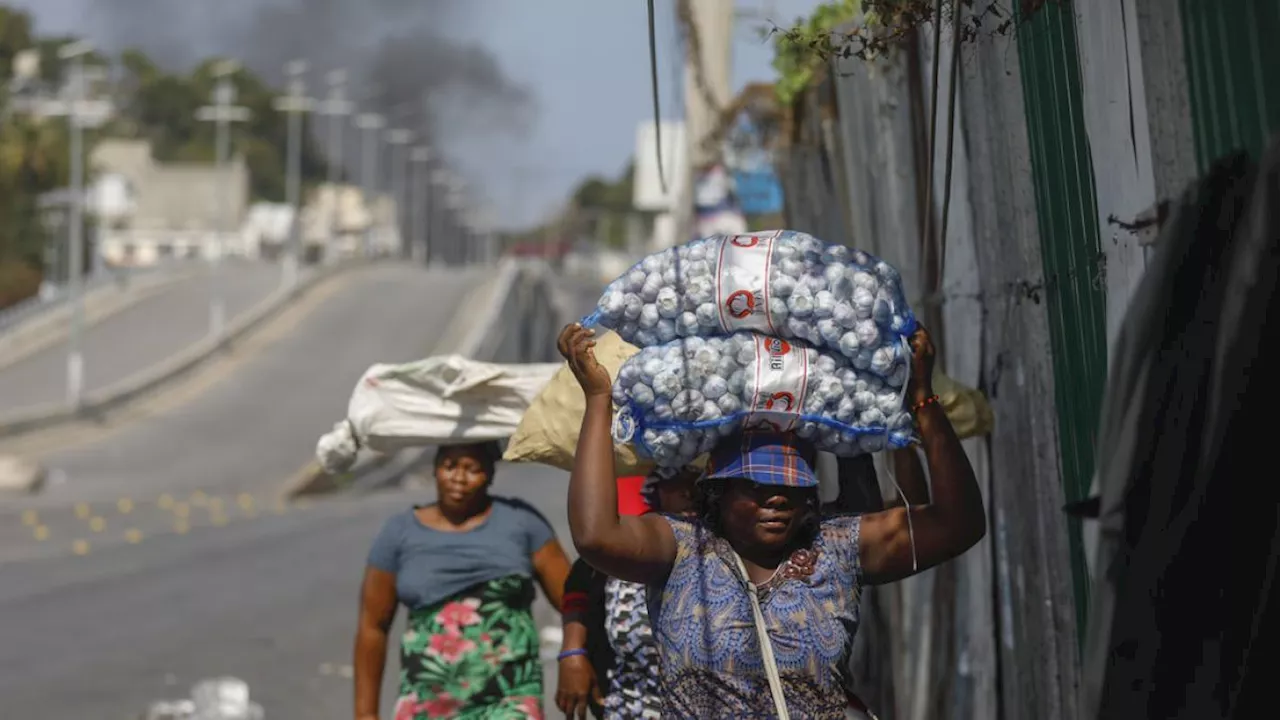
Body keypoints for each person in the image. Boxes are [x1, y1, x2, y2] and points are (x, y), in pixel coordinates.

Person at [557, 322, 986, 718]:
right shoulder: (681, 548)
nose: (777, 498)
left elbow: (959, 524)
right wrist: (599, 400)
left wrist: (923, 400)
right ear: (717, 493)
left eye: (792, 488)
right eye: (755, 487)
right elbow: (595, 536)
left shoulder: (835, 547)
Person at [353, 441, 573, 720]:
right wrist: (365, 713)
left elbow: (573, 602)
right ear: (434, 469)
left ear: (491, 475)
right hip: (426, 702)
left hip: (510, 699)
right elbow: (373, 627)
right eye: (450, 466)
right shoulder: (399, 533)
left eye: (472, 469)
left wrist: (576, 656)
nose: (459, 477)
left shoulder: (521, 523)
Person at [556, 467, 700, 720]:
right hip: (630, 703)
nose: (688, 493)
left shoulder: (731, 550)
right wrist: (573, 652)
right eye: (675, 483)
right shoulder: (630, 544)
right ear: (657, 489)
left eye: (697, 483)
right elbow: (578, 587)